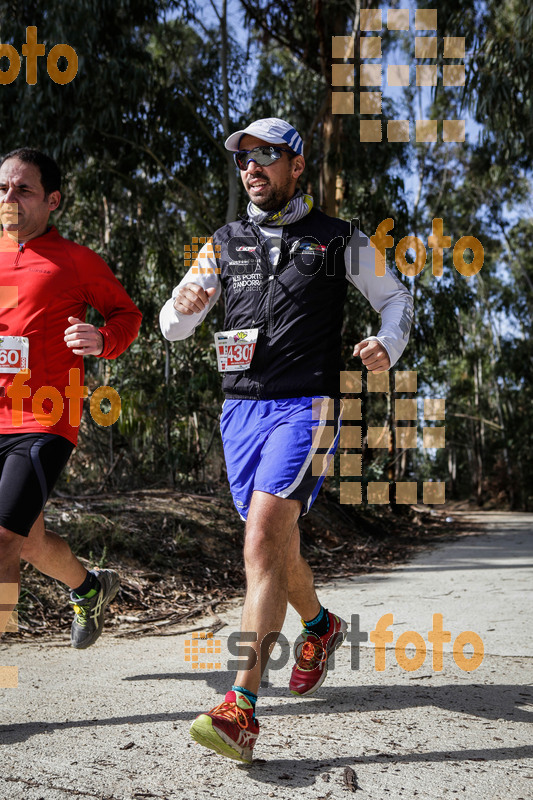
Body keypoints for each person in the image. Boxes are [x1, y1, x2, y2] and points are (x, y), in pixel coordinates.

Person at [160, 118, 413, 763]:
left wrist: (388, 342)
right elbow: (173, 327)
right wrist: (184, 305)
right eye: (244, 158)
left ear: (296, 165)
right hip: (239, 409)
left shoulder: (339, 240)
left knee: (262, 535)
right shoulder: (223, 243)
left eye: (267, 155)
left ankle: (240, 705)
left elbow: (396, 299)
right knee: (275, 545)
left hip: (308, 405)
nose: (252, 168)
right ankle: (321, 625)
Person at [0, 148, 142, 649]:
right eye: (2, 188)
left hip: (43, 420)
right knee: (30, 540)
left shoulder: (76, 260)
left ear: (53, 200)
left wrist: (103, 339)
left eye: (23, 189)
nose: (9, 198)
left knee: (3, 542)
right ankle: (89, 586)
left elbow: (127, 316)